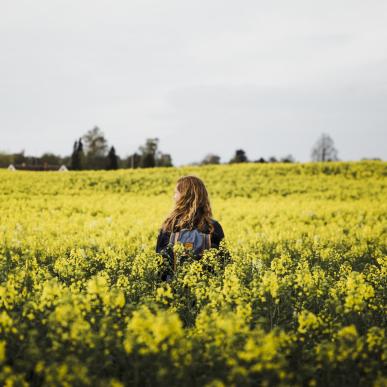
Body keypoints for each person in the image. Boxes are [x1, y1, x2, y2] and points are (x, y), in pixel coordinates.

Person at [155, 175, 226, 281]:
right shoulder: (212, 227)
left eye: (176, 193)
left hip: (173, 290)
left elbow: (160, 264)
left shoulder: (170, 226)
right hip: (206, 290)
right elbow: (224, 263)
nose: (173, 197)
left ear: (184, 196)